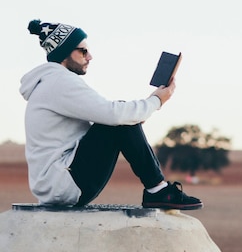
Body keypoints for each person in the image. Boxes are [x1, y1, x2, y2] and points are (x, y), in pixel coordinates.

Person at [19, 19, 202, 210]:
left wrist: (142, 111)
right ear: (64, 54)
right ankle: (157, 190)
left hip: (58, 183)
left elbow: (113, 116)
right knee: (120, 116)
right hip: (64, 183)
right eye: (83, 51)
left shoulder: (52, 82)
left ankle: (158, 190)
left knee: (122, 117)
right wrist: (156, 101)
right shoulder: (59, 82)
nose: (90, 56)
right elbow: (113, 115)